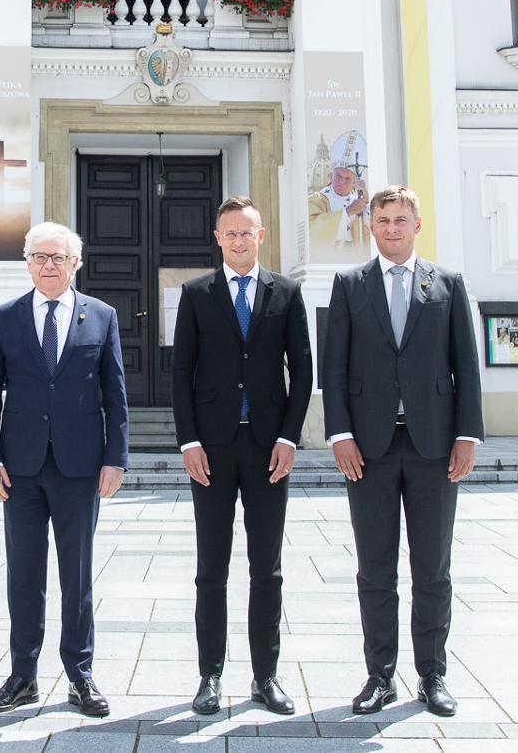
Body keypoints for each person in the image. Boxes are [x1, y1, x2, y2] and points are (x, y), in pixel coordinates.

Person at [322, 186, 484, 717]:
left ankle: (432, 675)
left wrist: (468, 434)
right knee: (375, 568)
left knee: (433, 567)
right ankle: (380, 676)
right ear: (370, 226)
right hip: (367, 449)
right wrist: (340, 435)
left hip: (433, 445)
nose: (391, 228)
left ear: (417, 225)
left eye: (400, 220)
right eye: (383, 220)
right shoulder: (350, 285)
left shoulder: (448, 284)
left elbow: (465, 363)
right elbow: (334, 366)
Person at [0, 221, 128, 718]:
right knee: (24, 575)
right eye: (39, 257)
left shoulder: (101, 316)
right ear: (27, 263)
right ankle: (23, 676)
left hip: (80, 467)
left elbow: (116, 395)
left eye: (58, 257)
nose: (48, 265)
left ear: (75, 264)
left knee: (76, 576)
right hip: (18, 469)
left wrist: (115, 458)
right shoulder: (6, 317)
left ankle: (80, 676)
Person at [170, 197, 313, 716]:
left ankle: (265, 676)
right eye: (229, 233)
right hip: (211, 450)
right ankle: (209, 675)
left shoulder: (287, 293)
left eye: (246, 232)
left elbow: (302, 368)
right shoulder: (196, 293)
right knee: (211, 567)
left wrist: (290, 438)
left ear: (261, 234)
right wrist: (188, 442)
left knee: (266, 569)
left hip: (268, 448)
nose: (238, 240)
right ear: (217, 238)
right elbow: (181, 372)